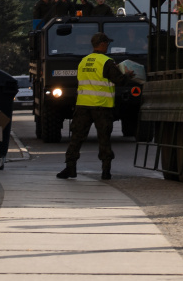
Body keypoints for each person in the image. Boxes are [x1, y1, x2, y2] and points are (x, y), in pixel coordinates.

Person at [57, 33, 135, 181]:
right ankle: (106, 172)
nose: (108, 46)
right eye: (107, 43)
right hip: (101, 107)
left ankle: (70, 168)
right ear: (103, 44)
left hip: (83, 106)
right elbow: (119, 80)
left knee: (76, 138)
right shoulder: (107, 62)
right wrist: (128, 75)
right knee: (104, 139)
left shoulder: (83, 61)